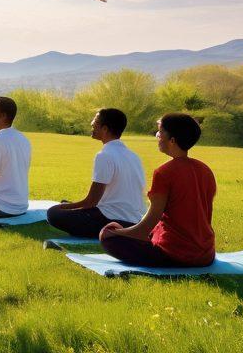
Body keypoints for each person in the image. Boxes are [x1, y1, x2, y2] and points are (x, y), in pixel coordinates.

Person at [99, 113, 217, 268]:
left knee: (108, 238)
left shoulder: (164, 172)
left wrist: (115, 232)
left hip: (174, 254)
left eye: (160, 132)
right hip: (206, 254)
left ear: (172, 140)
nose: (157, 136)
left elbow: (148, 223)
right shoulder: (205, 170)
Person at [46, 108, 145, 238]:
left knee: (53, 212)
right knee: (66, 205)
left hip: (111, 219)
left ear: (105, 129)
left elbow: (91, 202)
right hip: (134, 220)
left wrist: (64, 207)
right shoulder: (133, 155)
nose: (92, 123)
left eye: (95, 121)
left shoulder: (104, 155)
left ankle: (112, 233)